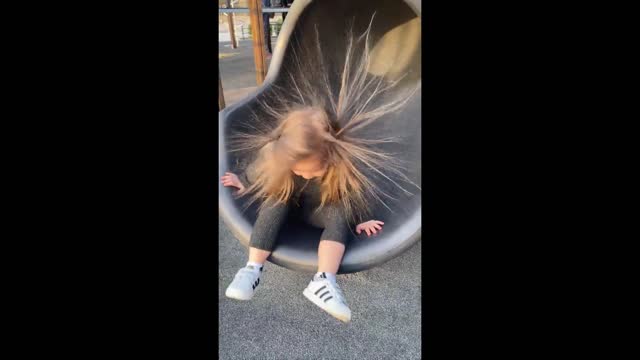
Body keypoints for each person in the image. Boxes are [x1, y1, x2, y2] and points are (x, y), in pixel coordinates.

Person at [220, 17, 419, 323]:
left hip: (321, 211)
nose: (307, 176)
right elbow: (261, 170)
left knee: (341, 211)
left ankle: (324, 280)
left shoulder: (341, 164)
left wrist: (362, 219)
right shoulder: (279, 157)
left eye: (313, 170)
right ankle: (252, 268)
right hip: (291, 207)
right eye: (300, 171)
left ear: (331, 154)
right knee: (274, 202)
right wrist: (243, 181)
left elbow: (357, 192)